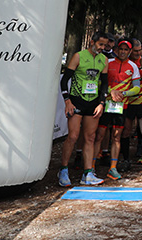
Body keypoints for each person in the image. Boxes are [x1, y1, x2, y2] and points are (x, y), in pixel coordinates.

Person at [58, 32, 110, 186]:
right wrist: (67, 101)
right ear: (92, 42)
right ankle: (63, 170)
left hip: (93, 103)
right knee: (73, 137)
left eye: (104, 45)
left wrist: (101, 103)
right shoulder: (79, 56)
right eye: (100, 44)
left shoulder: (104, 60)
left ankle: (87, 173)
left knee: (90, 138)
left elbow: (105, 84)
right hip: (76, 101)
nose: (102, 48)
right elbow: (64, 80)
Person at [94, 39, 141, 181]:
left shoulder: (133, 66)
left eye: (126, 50)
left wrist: (123, 94)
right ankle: (91, 167)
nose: (123, 51)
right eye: (121, 48)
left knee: (116, 136)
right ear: (116, 49)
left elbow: (137, 88)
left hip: (122, 105)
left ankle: (113, 168)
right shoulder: (108, 62)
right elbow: (99, 82)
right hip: (106, 104)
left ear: (130, 51)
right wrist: (111, 91)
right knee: (99, 135)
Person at [122, 39, 142, 172]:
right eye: (135, 51)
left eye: (140, 50)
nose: (138, 53)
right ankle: (126, 160)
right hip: (128, 102)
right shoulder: (125, 63)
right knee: (126, 131)